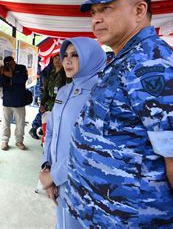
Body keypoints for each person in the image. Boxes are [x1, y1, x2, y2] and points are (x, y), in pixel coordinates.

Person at [64, 0, 173, 228]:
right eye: (93, 12)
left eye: (107, 8)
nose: (96, 19)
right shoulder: (125, 59)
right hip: (100, 213)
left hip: (133, 219)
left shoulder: (153, 64)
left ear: (139, 10)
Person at [39, 37, 105, 229]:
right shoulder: (64, 90)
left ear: (91, 58)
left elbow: (90, 147)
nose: (67, 60)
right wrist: (46, 166)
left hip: (81, 182)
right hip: (57, 178)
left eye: (75, 55)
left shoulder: (100, 94)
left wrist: (54, 176)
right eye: (65, 55)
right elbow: (51, 131)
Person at [0, 56, 28, 150]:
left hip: (19, 101)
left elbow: (22, 79)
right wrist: (2, 74)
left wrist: (11, 75)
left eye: (11, 62)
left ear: (14, 61)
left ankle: (19, 141)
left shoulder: (21, 68)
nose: (10, 65)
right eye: (7, 63)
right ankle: (4, 141)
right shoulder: (3, 70)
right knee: (5, 122)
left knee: (20, 123)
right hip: (7, 100)